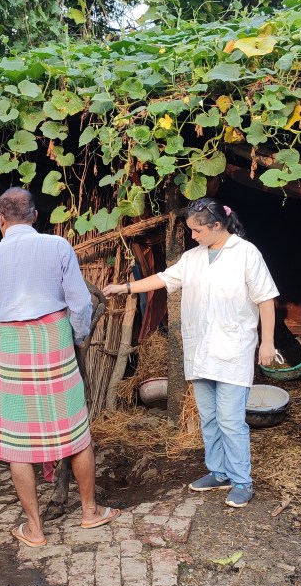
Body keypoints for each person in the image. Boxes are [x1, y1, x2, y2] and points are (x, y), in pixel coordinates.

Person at [0, 187, 120, 547]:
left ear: (0, 220)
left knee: (17, 441)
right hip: (55, 338)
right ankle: (89, 512)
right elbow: (80, 304)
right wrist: (77, 337)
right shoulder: (58, 246)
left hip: (14, 344)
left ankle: (34, 529)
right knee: (74, 431)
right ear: (35, 216)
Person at [103, 197, 278, 508]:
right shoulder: (192, 258)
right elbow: (162, 279)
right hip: (200, 350)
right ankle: (219, 472)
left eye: (198, 230)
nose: (193, 236)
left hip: (233, 349)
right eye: (191, 231)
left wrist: (267, 342)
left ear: (217, 225)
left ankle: (241, 481)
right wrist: (124, 288)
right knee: (209, 417)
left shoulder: (246, 253)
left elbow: (265, 298)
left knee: (230, 420)